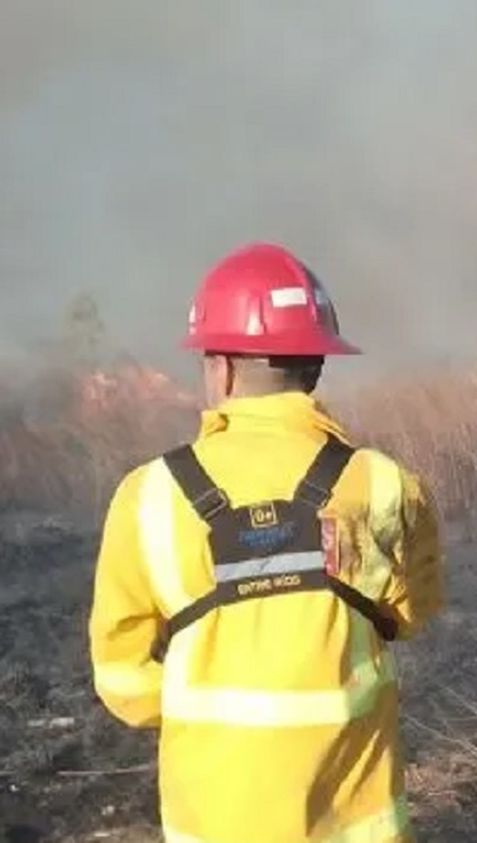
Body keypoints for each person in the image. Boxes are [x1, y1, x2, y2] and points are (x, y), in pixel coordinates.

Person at [88, 243, 444, 843]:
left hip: (217, 822)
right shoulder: (385, 484)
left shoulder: (149, 495)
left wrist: (206, 704)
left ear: (220, 368)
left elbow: (121, 677)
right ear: (318, 367)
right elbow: (411, 613)